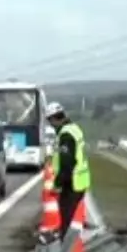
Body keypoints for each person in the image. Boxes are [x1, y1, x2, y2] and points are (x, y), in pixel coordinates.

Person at [45, 102, 89, 238]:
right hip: (79, 181)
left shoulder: (66, 136)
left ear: (54, 119)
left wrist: (57, 184)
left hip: (72, 184)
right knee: (71, 219)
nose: (50, 125)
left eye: (50, 121)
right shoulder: (74, 128)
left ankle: (67, 251)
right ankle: (69, 244)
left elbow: (67, 164)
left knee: (67, 220)